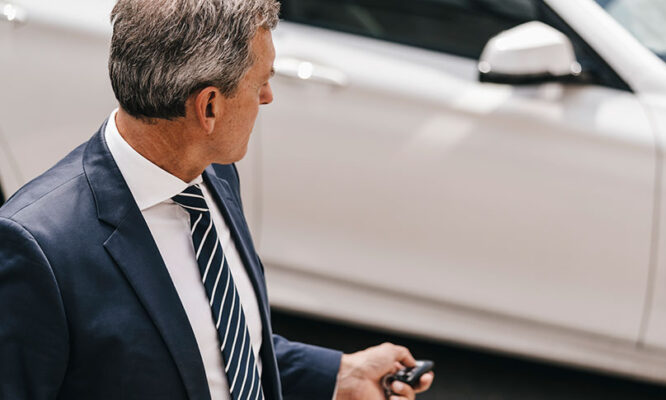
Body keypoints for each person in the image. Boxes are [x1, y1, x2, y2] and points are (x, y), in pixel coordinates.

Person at [0, 0, 434, 399]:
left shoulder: (214, 173)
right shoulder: (38, 247)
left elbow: (209, 346)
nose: (268, 96)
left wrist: (339, 374)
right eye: (260, 82)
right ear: (208, 107)